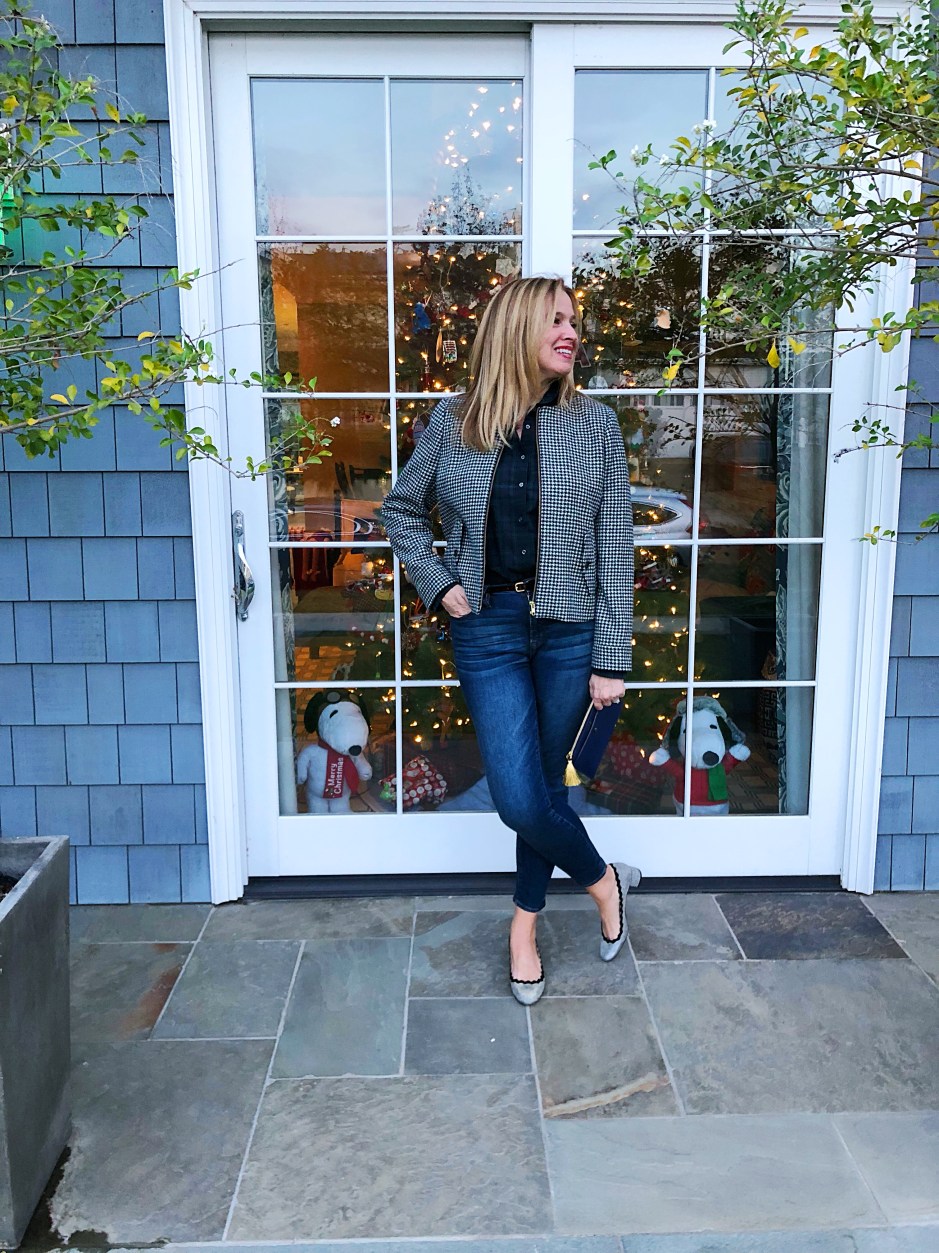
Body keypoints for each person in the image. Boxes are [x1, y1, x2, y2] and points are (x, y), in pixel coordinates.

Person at [382, 275, 641, 1005]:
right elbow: (401, 511)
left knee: (544, 791)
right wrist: (439, 582)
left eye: (574, 321)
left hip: (569, 630)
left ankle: (522, 930)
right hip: (487, 629)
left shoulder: (594, 424)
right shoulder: (455, 420)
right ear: (515, 328)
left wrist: (611, 659)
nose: (571, 333)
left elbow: (615, 547)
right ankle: (604, 882)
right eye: (555, 320)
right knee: (519, 799)